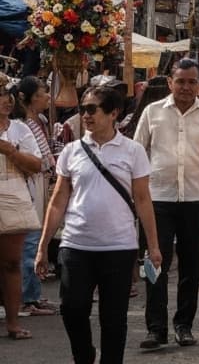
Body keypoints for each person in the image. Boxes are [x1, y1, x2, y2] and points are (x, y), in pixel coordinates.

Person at [35, 84, 162, 364]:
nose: (86, 115)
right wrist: (43, 246)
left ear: (113, 113)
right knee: (72, 308)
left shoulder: (132, 151)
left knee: (113, 317)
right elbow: (58, 201)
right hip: (75, 244)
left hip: (119, 246)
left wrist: (153, 245)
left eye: (92, 109)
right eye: (83, 109)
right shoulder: (71, 151)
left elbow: (142, 199)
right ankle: (84, 355)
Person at [132, 58, 199, 349]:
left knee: (191, 266)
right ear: (169, 81)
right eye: (181, 81)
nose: (186, 87)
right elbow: (138, 155)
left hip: (196, 199)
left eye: (192, 82)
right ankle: (156, 328)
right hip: (157, 201)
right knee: (155, 263)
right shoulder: (152, 112)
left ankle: (184, 325)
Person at [0, 77, 43, 341]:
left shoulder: (19, 129)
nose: (6, 99)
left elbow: (37, 165)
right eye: (0, 95)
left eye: (7, 94)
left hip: (13, 193)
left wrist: (11, 152)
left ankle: (13, 323)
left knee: (12, 262)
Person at [12, 76, 57, 317]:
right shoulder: (21, 125)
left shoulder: (36, 121)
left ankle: (33, 294)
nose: (48, 96)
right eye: (43, 91)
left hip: (39, 183)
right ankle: (28, 298)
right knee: (30, 242)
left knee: (36, 240)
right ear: (30, 97)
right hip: (29, 185)